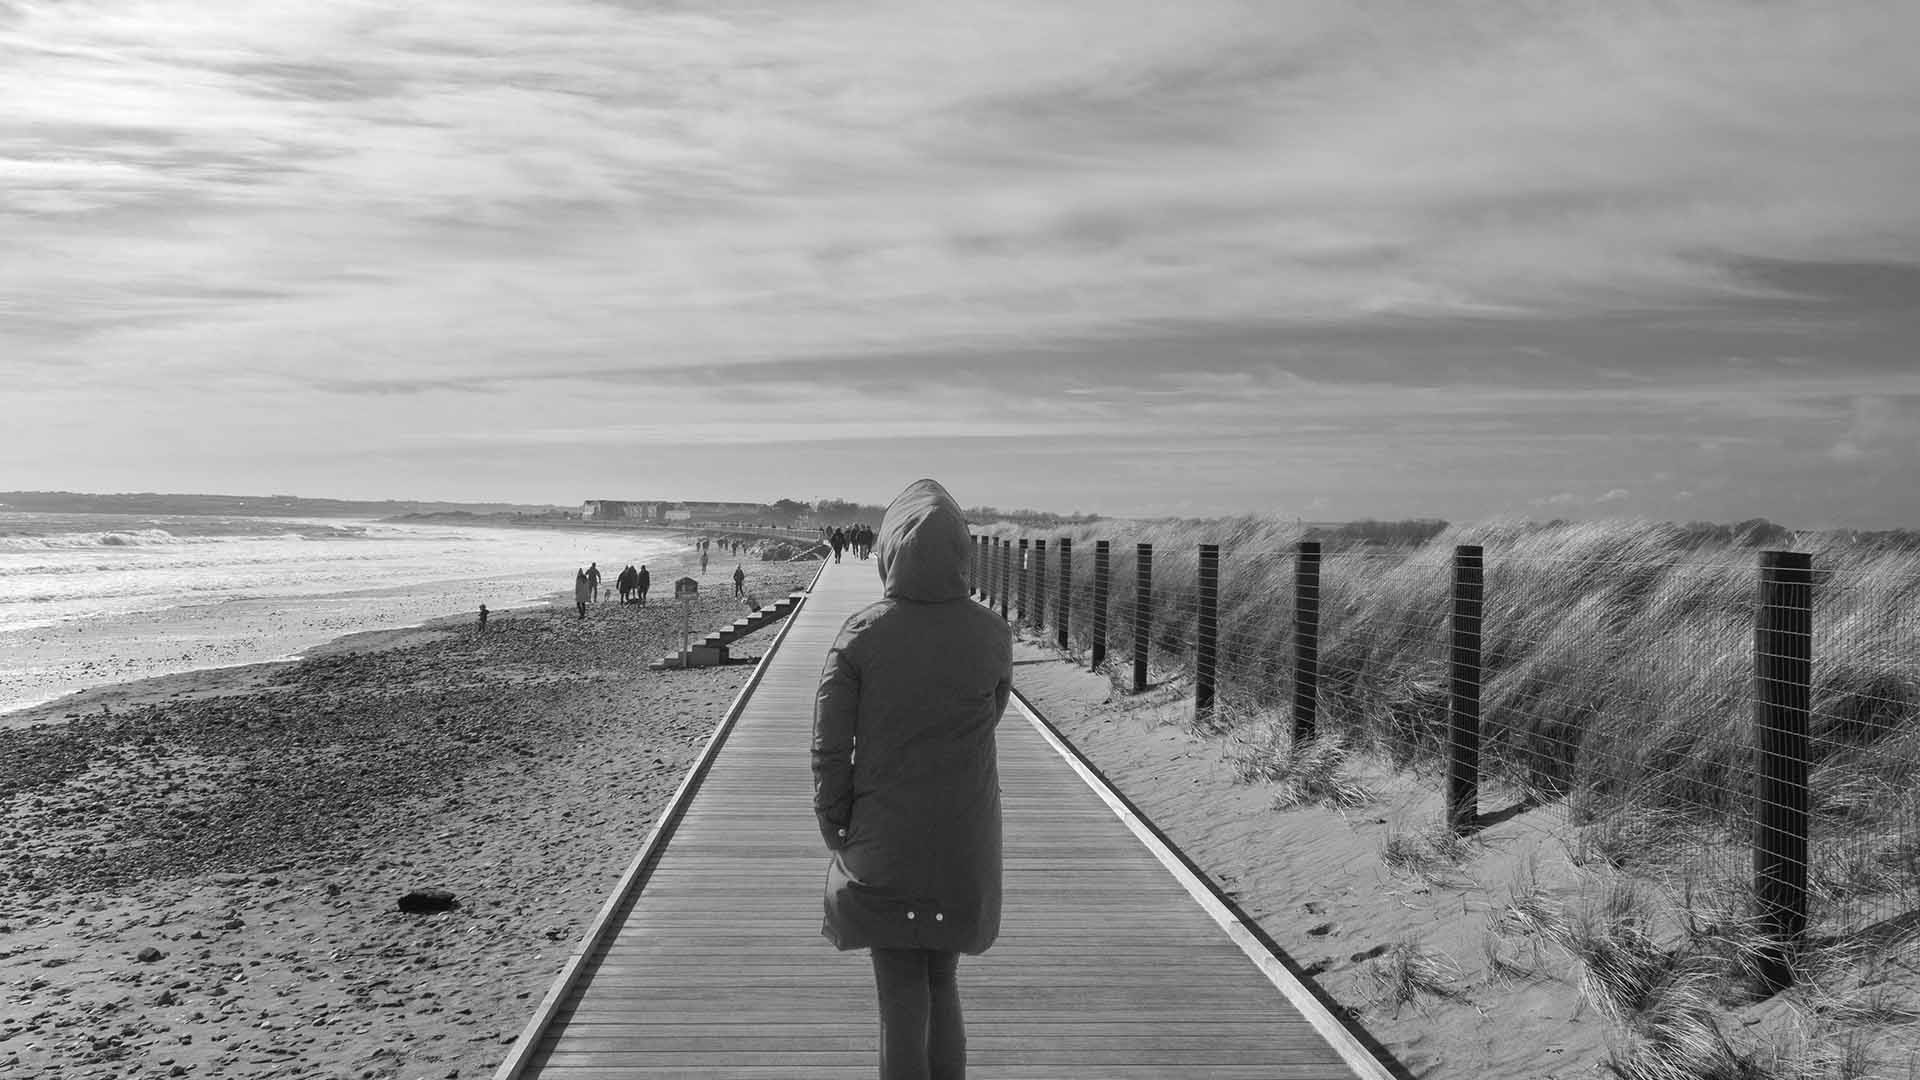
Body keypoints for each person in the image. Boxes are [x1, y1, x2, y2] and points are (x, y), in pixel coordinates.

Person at [813, 478, 1010, 1080]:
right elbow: (993, 710)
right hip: (963, 835)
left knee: (899, 991)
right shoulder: (991, 632)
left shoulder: (862, 634)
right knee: (941, 980)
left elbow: (829, 745)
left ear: (888, 549)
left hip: (884, 832)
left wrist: (834, 817)